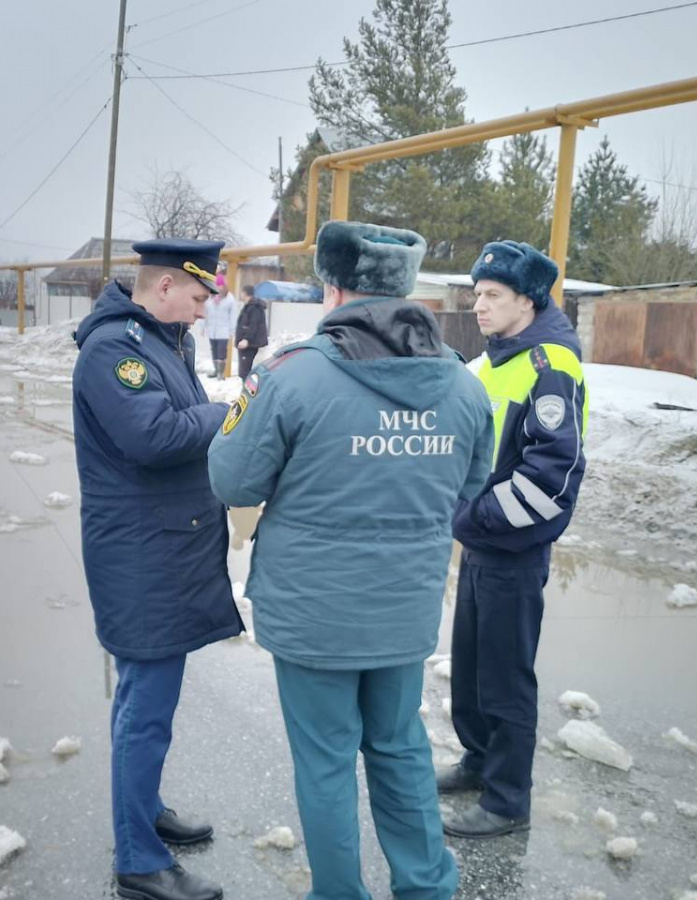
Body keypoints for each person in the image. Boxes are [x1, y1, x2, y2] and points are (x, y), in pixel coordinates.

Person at [208, 220, 494, 900]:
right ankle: (426, 887)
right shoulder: (462, 385)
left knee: (327, 761)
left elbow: (233, 479)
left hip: (313, 614)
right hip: (403, 609)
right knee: (398, 746)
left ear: (333, 287)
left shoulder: (291, 373)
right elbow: (470, 486)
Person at [72, 238, 243, 900]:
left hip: (163, 544)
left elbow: (176, 423)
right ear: (166, 288)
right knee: (146, 704)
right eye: (199, 298)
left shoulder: (167, 342)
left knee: (149, 701)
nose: (204, 312)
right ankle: (139, 860)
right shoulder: (115, 351)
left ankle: (142, 812)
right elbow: (156, 437)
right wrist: (230, 410)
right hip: (138, 553)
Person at [439, 240, 589, 840]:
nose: (479, 305)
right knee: (473, 668)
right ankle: (479, 762)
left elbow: (551, 479)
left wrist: (472, 518)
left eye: (492, 295)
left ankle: (506, 800)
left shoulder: (550, 365)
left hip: (514, 548)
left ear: (525, 301)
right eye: (477, 294)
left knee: (505, 676)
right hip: (482, 542)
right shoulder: (496, 359)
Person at [201, 272, 236, 378]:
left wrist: (231, 330)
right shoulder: (209, 298)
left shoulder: (229, 299)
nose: (218, 287)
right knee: (214, 350)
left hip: (223, 330)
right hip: (212, 329)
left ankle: (221, 373)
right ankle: (216, 370)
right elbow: (204, 313)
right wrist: (203, 327)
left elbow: (233, 316)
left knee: (222, 352)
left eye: (220, 285)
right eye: (217, 285)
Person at [233, 284, 268, 381]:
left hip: (250, 345)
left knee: (245, 372)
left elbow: (253, 325)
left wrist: (246, 339)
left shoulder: (254, 307)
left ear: (244, 293)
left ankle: (247, 392)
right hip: (248, 344)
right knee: (245, 371)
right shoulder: (249, 306)